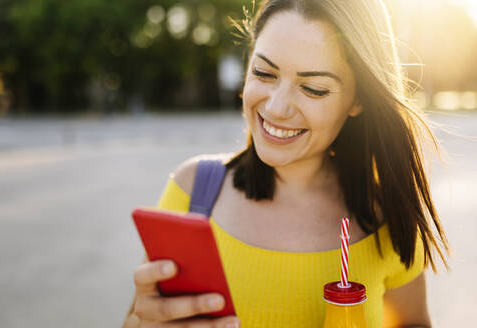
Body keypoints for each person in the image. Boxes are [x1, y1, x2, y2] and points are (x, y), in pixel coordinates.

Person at [123, 0, 450, 327]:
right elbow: (136, 318)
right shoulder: (193, 190)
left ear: (358, 99)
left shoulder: (386, 218)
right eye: (263, 72)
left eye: (313, 88)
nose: (277, 107)